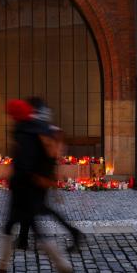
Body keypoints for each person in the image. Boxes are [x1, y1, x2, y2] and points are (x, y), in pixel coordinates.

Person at [0, 98, 74, 273]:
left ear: (15, 115)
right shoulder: (38, 126)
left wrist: (14, 177)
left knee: (37, 232)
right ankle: (0, 269)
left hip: (26, 190)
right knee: (8, 226)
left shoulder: (25, 131)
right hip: (31, 190)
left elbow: (26, 164)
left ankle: (65, 270)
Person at [15, 98, 84, 253]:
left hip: (39, 177)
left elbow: (50, 154)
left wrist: (43, 176)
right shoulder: (46, 129)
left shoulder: (43, 130)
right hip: (39, 176)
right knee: (31, 207)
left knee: (38, 208)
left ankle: (73, 233)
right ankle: (23, 239)